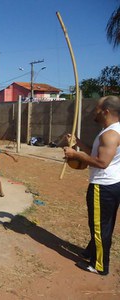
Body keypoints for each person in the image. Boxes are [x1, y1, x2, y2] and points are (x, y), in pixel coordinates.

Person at [64, 95, 120, 276]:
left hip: (102, 186)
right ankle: (91, 251)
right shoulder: (111, 130)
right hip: (112, 184)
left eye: (97, 109)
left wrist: (75, 154)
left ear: (106, 112)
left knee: (99, 226)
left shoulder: (110, 134)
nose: (93, 112)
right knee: (104, 223)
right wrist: (79, 144)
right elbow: (96, 152)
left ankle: (99, 265)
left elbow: (101, 162)